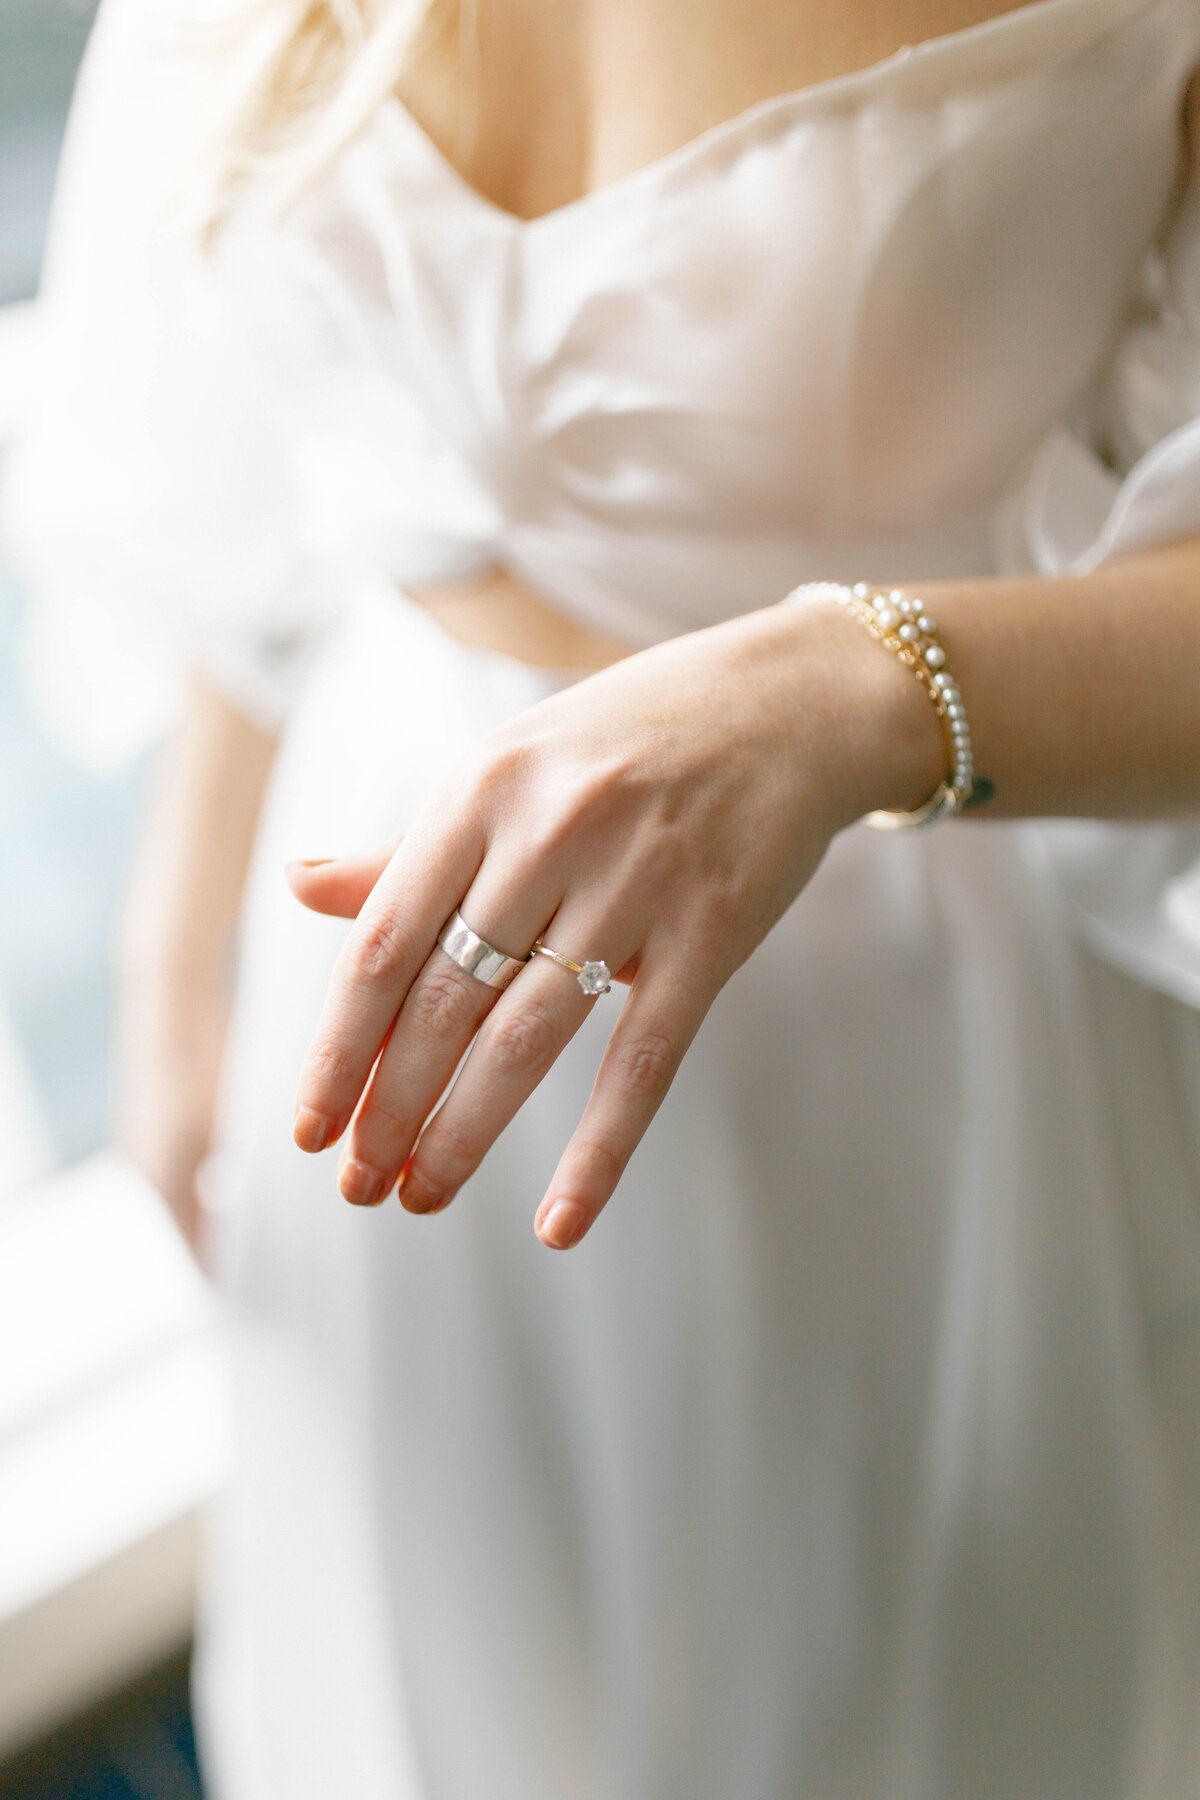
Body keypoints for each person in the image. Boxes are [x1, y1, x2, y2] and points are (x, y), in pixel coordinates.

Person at [11, 0, 1200, 1791]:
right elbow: (242, 359)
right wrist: (183, 919)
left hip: (928, 1056)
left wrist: (858, 691)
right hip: (383, 1000)